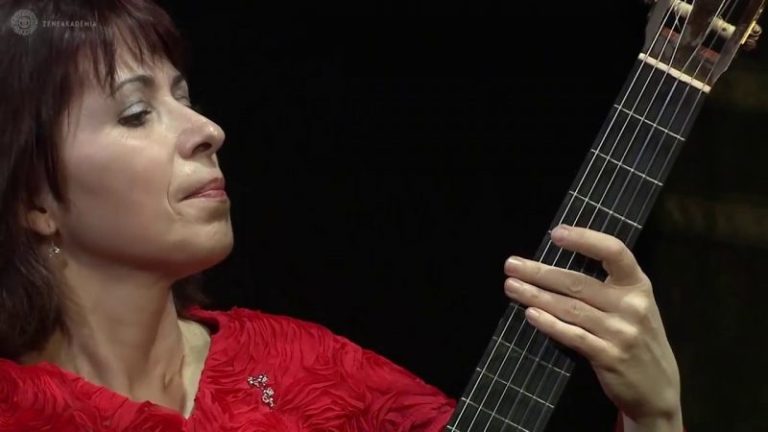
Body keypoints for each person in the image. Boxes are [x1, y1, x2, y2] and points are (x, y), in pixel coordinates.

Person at [0, 0, 683, 431]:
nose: (207, 130)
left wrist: (653, 416)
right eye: (136, 113)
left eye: (185, 97)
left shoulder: (309, 370)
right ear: (35, 201)